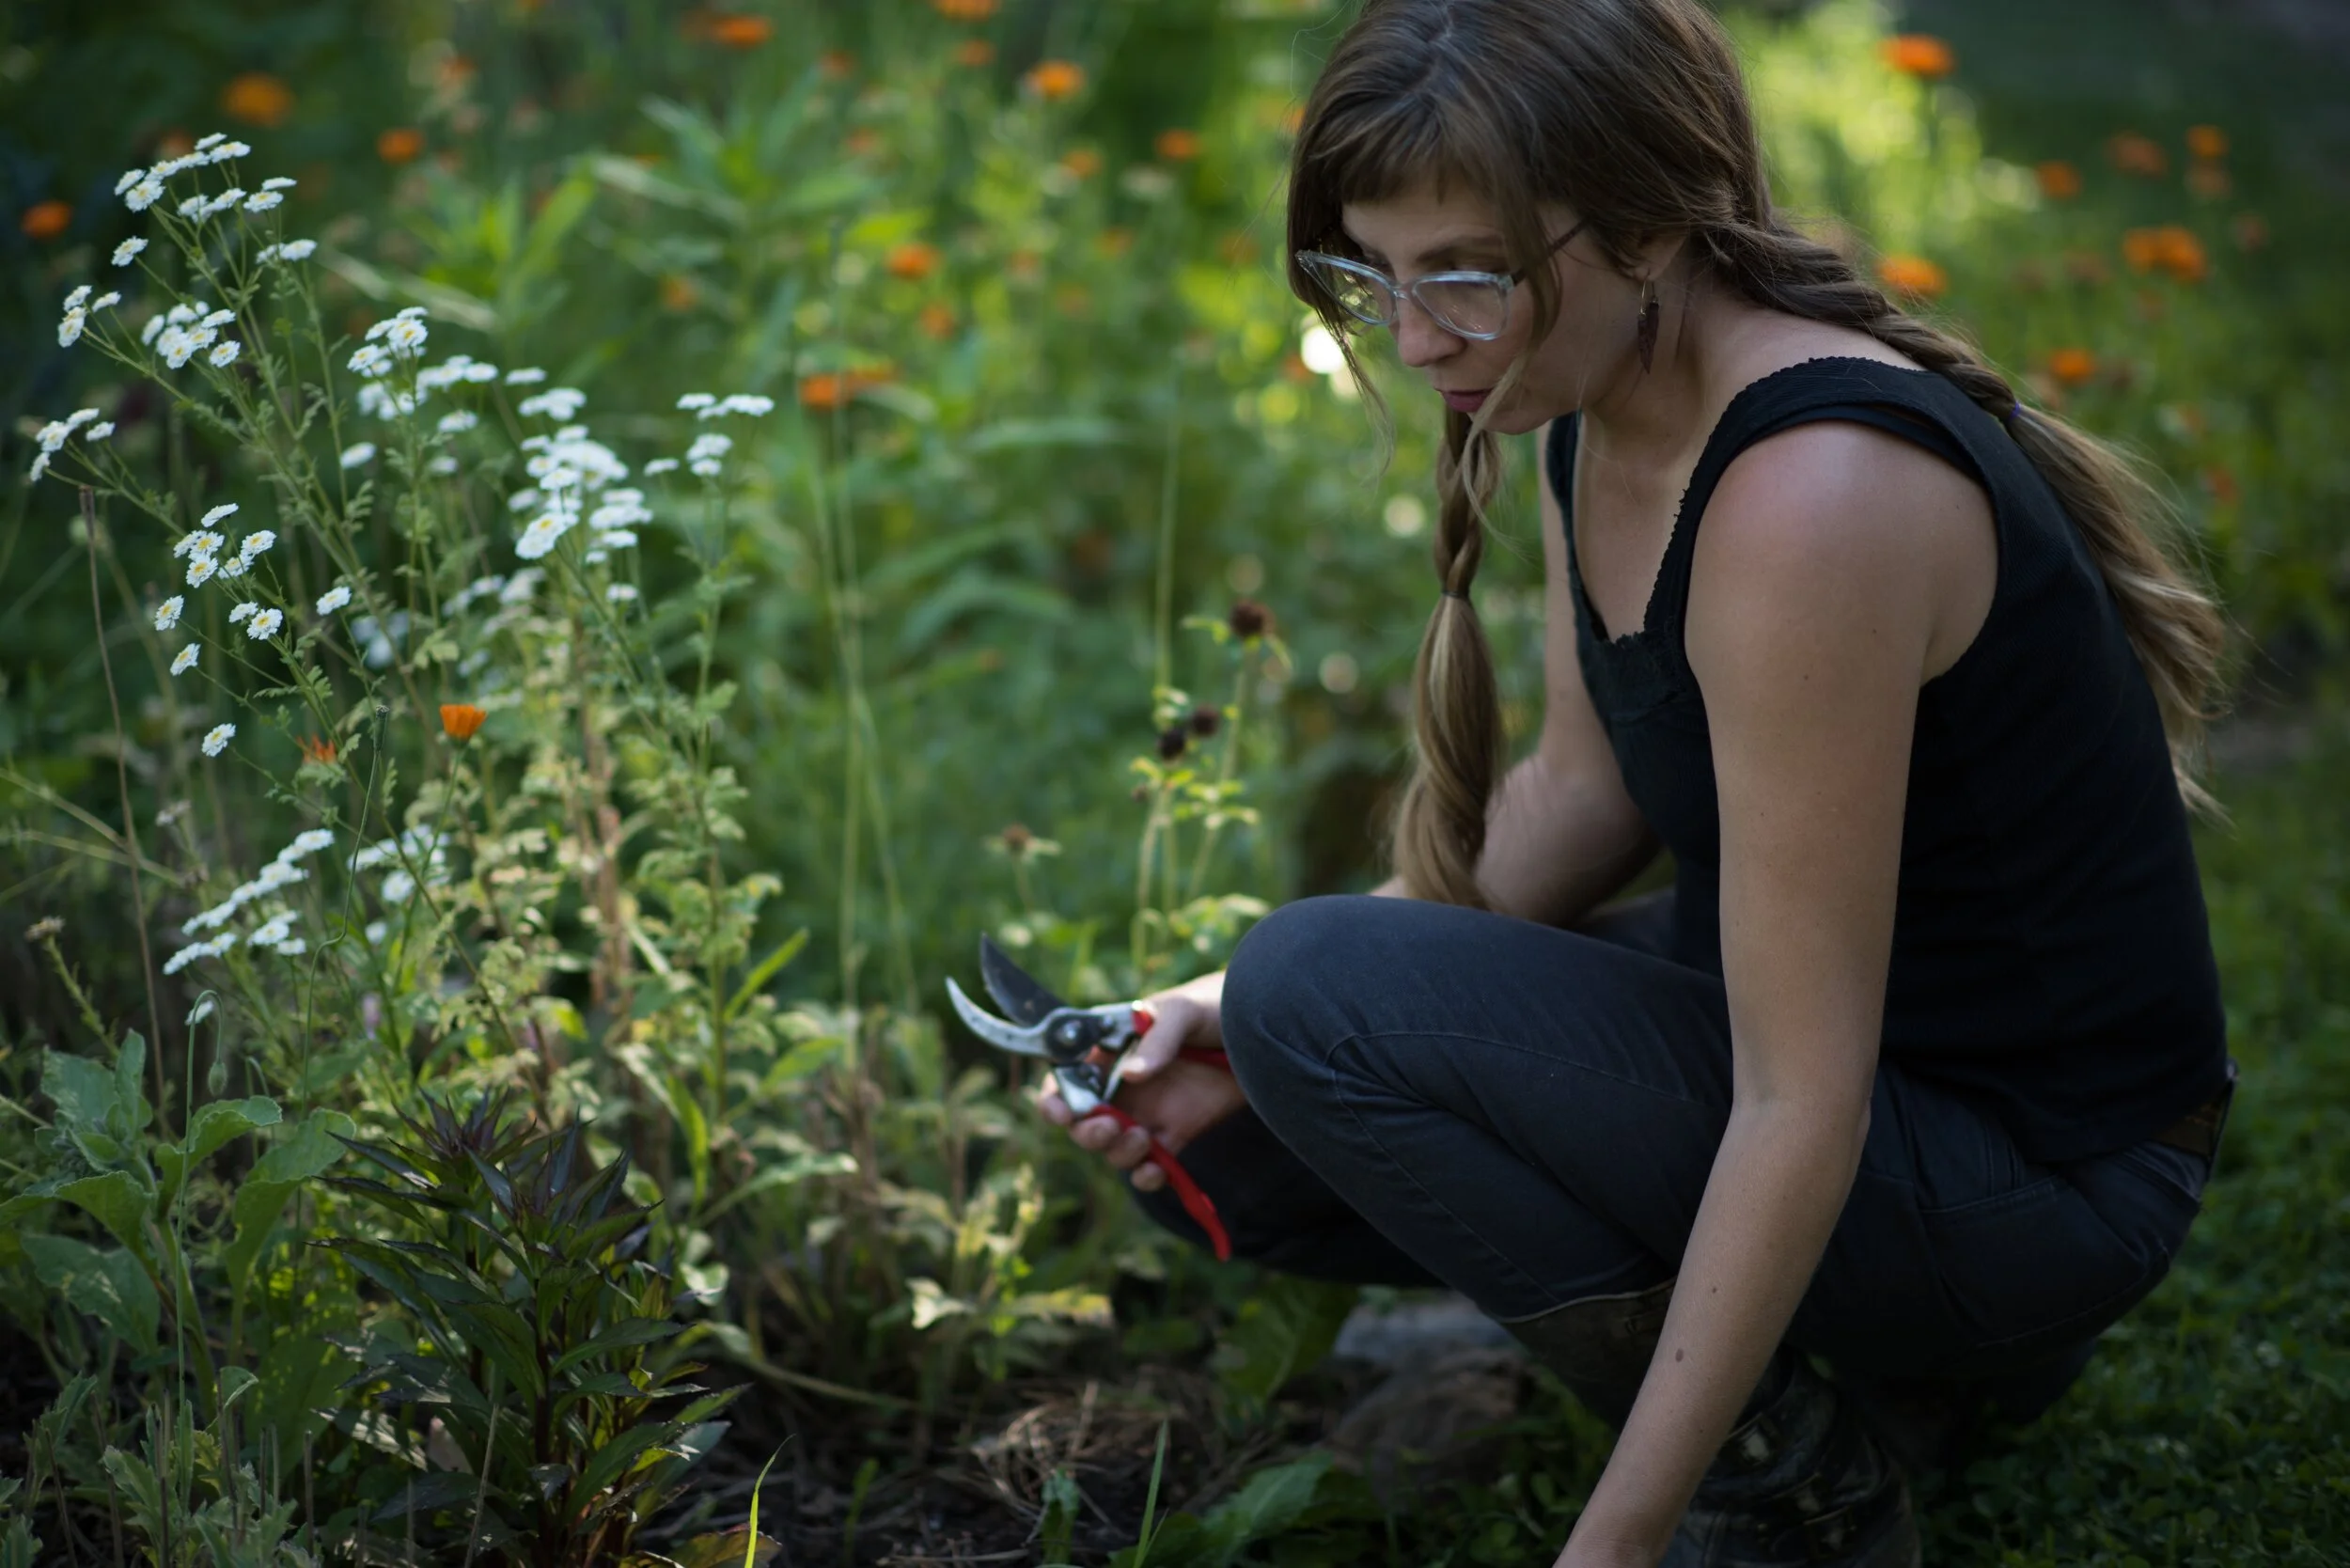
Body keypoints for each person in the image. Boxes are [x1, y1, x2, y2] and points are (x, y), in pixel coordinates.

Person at [1037, 2, 2234, 1563]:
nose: (1412, 343)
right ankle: (1889, 1376)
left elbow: (1804, 1096)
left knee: (1313, 990)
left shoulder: (1811, 496)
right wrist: (1225, 1011)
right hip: (1857, 1099)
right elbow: (1580, 802)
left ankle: (1803, 1472)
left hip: (2037, 1185)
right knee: (1225, 1105)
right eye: (1370, 276)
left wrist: (1612, 1545)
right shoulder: (1589, 403)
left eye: (1464, 274)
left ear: (1653, 221)